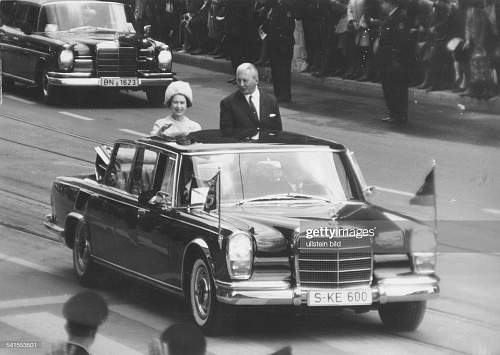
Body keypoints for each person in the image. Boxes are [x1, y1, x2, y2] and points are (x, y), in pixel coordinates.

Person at [220, 63, 282, 131]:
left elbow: (278, 131)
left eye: (245, 81)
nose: (241, 84)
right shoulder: (228, 103)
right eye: (238, 80)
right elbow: (227, 134)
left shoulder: (271, 101)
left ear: (256, 80)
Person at [378, 0, 411, 124]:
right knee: (389, 87)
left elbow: (401, 41)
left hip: (395, 60)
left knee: (397, 88)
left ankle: (399, 115)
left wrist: (396, 59)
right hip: (388, 60)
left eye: (383, 3)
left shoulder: (400, 16)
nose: (382, 5)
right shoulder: (391, 16)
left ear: (390, 3)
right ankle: (393, 113)